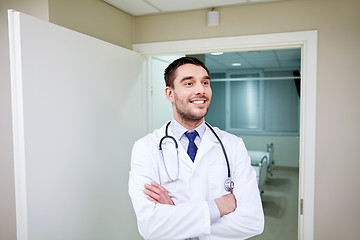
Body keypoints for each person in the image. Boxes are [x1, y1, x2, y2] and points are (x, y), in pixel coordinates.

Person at [128, 57, 264, 240]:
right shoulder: (146, 148)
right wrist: (219, 207)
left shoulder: (233, 145)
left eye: (205, 82)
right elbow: (150, 227)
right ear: (170, 94)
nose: (201, 90)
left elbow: (252, 221)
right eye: (189, 83)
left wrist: (176, 219)